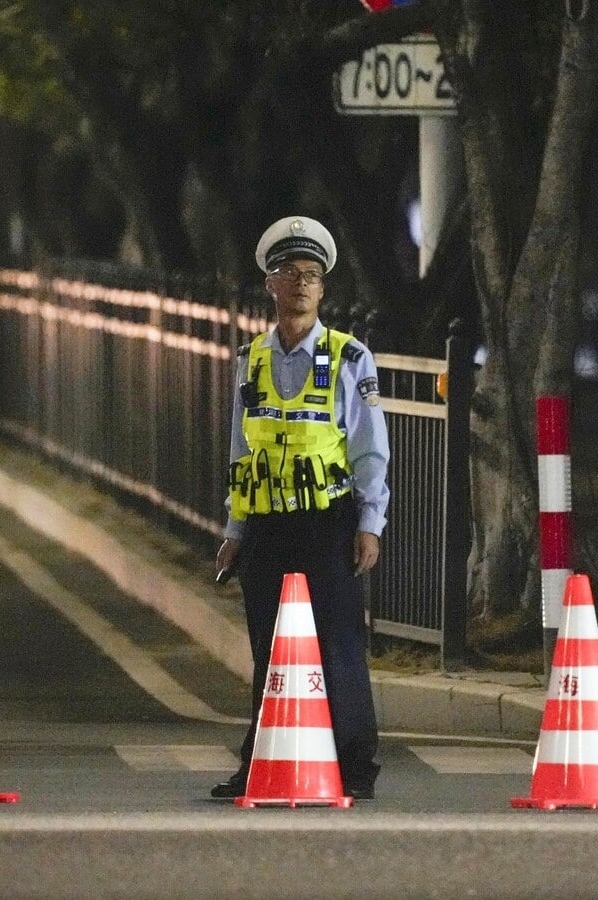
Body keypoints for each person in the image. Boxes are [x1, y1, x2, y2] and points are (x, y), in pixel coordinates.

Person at [211, 216, 390, 801]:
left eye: (312, 276)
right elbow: (242, 449)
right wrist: (235, 529)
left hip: (327, 521)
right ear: (271, 284)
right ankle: (259, 761)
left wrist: (369, 523)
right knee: (268, 649)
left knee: (338, 643)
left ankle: (355, 765)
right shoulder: (251, 359)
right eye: (291, 273)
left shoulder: (349, 357)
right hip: (266, 524)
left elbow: (369, 448)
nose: (302, 284)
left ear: (323, 289)